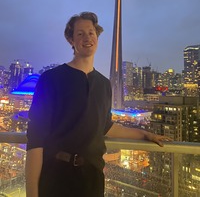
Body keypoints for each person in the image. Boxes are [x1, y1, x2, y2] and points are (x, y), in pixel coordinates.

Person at [25, 11, 171, 197]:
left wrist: (144, 134)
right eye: (80, 34)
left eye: (91, 32)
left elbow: (106, 126)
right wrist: (32, 193)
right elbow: (36, 140)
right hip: (57, 177)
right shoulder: (51, 79)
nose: (87, 38)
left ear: (97, 36)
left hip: (92, 179)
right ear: (71, 40)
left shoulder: (104, 84)